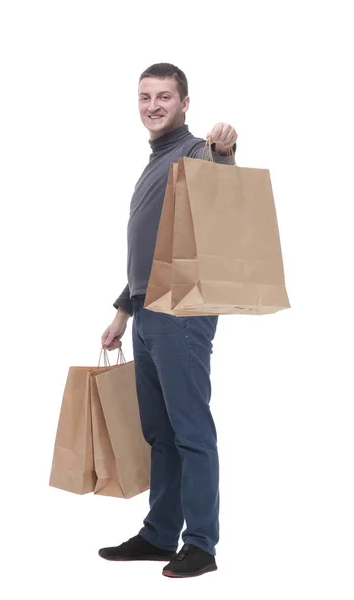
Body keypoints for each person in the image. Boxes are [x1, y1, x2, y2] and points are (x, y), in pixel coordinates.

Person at [99, 63, 238, 579]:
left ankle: (201, 544)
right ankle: (160, 535)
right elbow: (153, 249)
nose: (152, 105)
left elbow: (219, 172)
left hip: (181, 314)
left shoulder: (192, 151)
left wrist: (224, 148)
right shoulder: (155, 159)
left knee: (190, 431)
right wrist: (122, 310)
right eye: (144, 97)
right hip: (147, 313)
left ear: (184, 102)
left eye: (164, 97)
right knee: (159, 433)